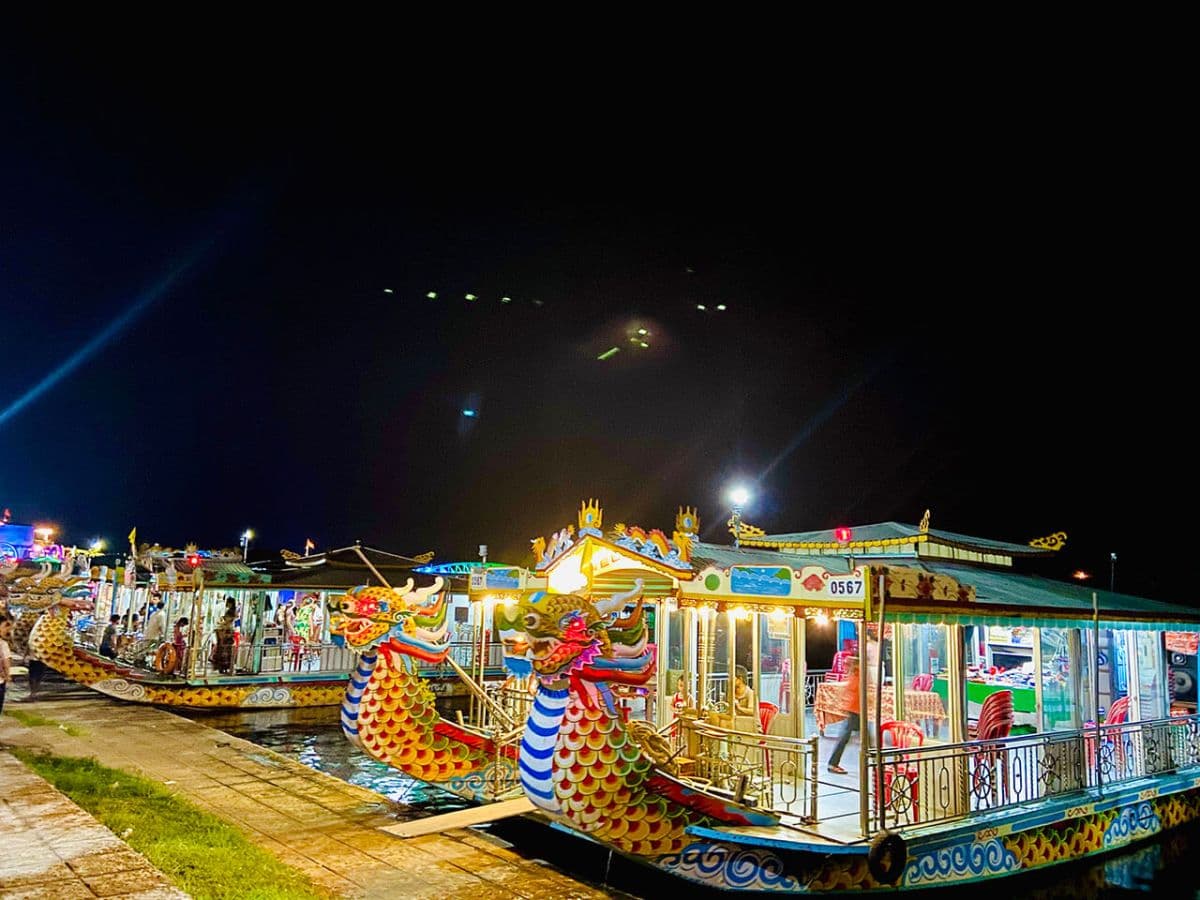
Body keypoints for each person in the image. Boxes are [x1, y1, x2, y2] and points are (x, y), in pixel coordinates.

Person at [828, 656, 866, 775]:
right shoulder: (857, 675)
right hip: (855, 709)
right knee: (845, 737)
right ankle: (833, 763)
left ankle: (872, 762)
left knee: (866, 737)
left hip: (857, 709)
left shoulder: (856, 674)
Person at [211, 597, 237, 674]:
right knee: (224, 649)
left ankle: (222, 666)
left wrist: (221, 624)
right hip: (226, 631)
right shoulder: (229, 611)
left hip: (226, 632)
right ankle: (223, 666)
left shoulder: (230, 612)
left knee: (223, 649)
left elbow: (226, 621)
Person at [732, 665, 758, 733]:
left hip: (747, 724)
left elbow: (752, 712)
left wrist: (739, 708)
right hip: (734, 722)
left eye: (733, 678)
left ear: (740, 679)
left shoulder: (750, 693)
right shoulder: (731, 692)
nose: (730, 680)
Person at [1, 612, 13, 717]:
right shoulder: (2, 644)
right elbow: (6, 661)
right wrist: (8, 675)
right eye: (5, 626)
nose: (7, 630)